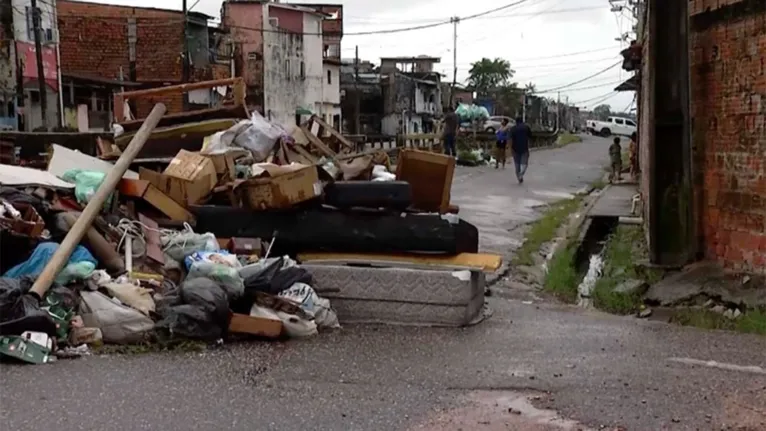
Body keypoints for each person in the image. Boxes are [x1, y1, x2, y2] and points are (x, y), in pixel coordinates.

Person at [509, 116, 532, 183]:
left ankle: (519, 177)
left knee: (517, 165)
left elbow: (510, 139)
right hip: (524, 148)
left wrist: (510, 148)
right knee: (524, 164)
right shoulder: (526, 127)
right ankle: (521, 175)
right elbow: (530, 137)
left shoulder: (513, 129)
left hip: (515, 149)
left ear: (516, 121)